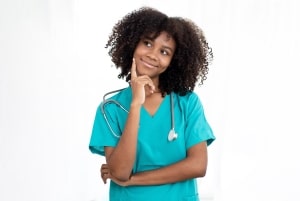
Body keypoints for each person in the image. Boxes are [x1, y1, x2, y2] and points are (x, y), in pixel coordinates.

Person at [89, 6, 215, 201]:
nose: (153, 55)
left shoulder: (187, 103)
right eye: (147, 43)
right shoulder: (111, 108)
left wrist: (134, 180)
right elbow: (121, 171)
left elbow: (198, 165)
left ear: (174, 60)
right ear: (133, 44)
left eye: (164, 51)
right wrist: (135, 105)